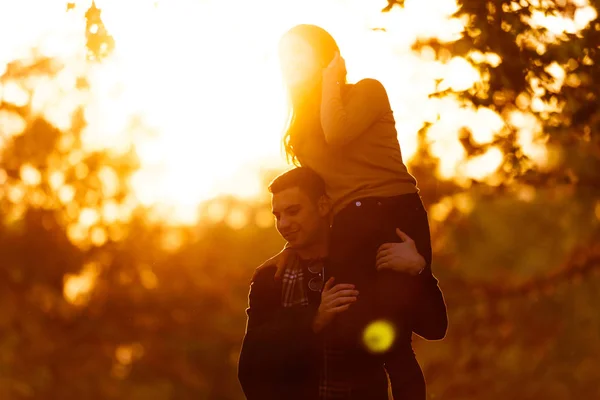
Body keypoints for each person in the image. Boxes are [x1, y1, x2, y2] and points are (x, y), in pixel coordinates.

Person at [265, 24, 449, 399]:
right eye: (285, 57)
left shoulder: (368, 91)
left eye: (300, 53)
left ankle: (415, 271)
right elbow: (318, 196)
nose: (291, 63)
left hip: (397, 213)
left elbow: (338, 132)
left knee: (416, 335)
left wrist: (333, 77)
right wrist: (290, 247)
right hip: (351, 222)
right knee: (366, 339)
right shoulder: (300, 130)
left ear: (326, 55)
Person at [238, 167, 433, 399]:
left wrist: (419, 269)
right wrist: (314, 319)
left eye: (293, 211)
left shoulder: (362, 269)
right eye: (278, 216)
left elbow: (403, 357)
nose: (284, 224)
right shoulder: (270, 278)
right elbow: (250, 366)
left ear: (322, 206)